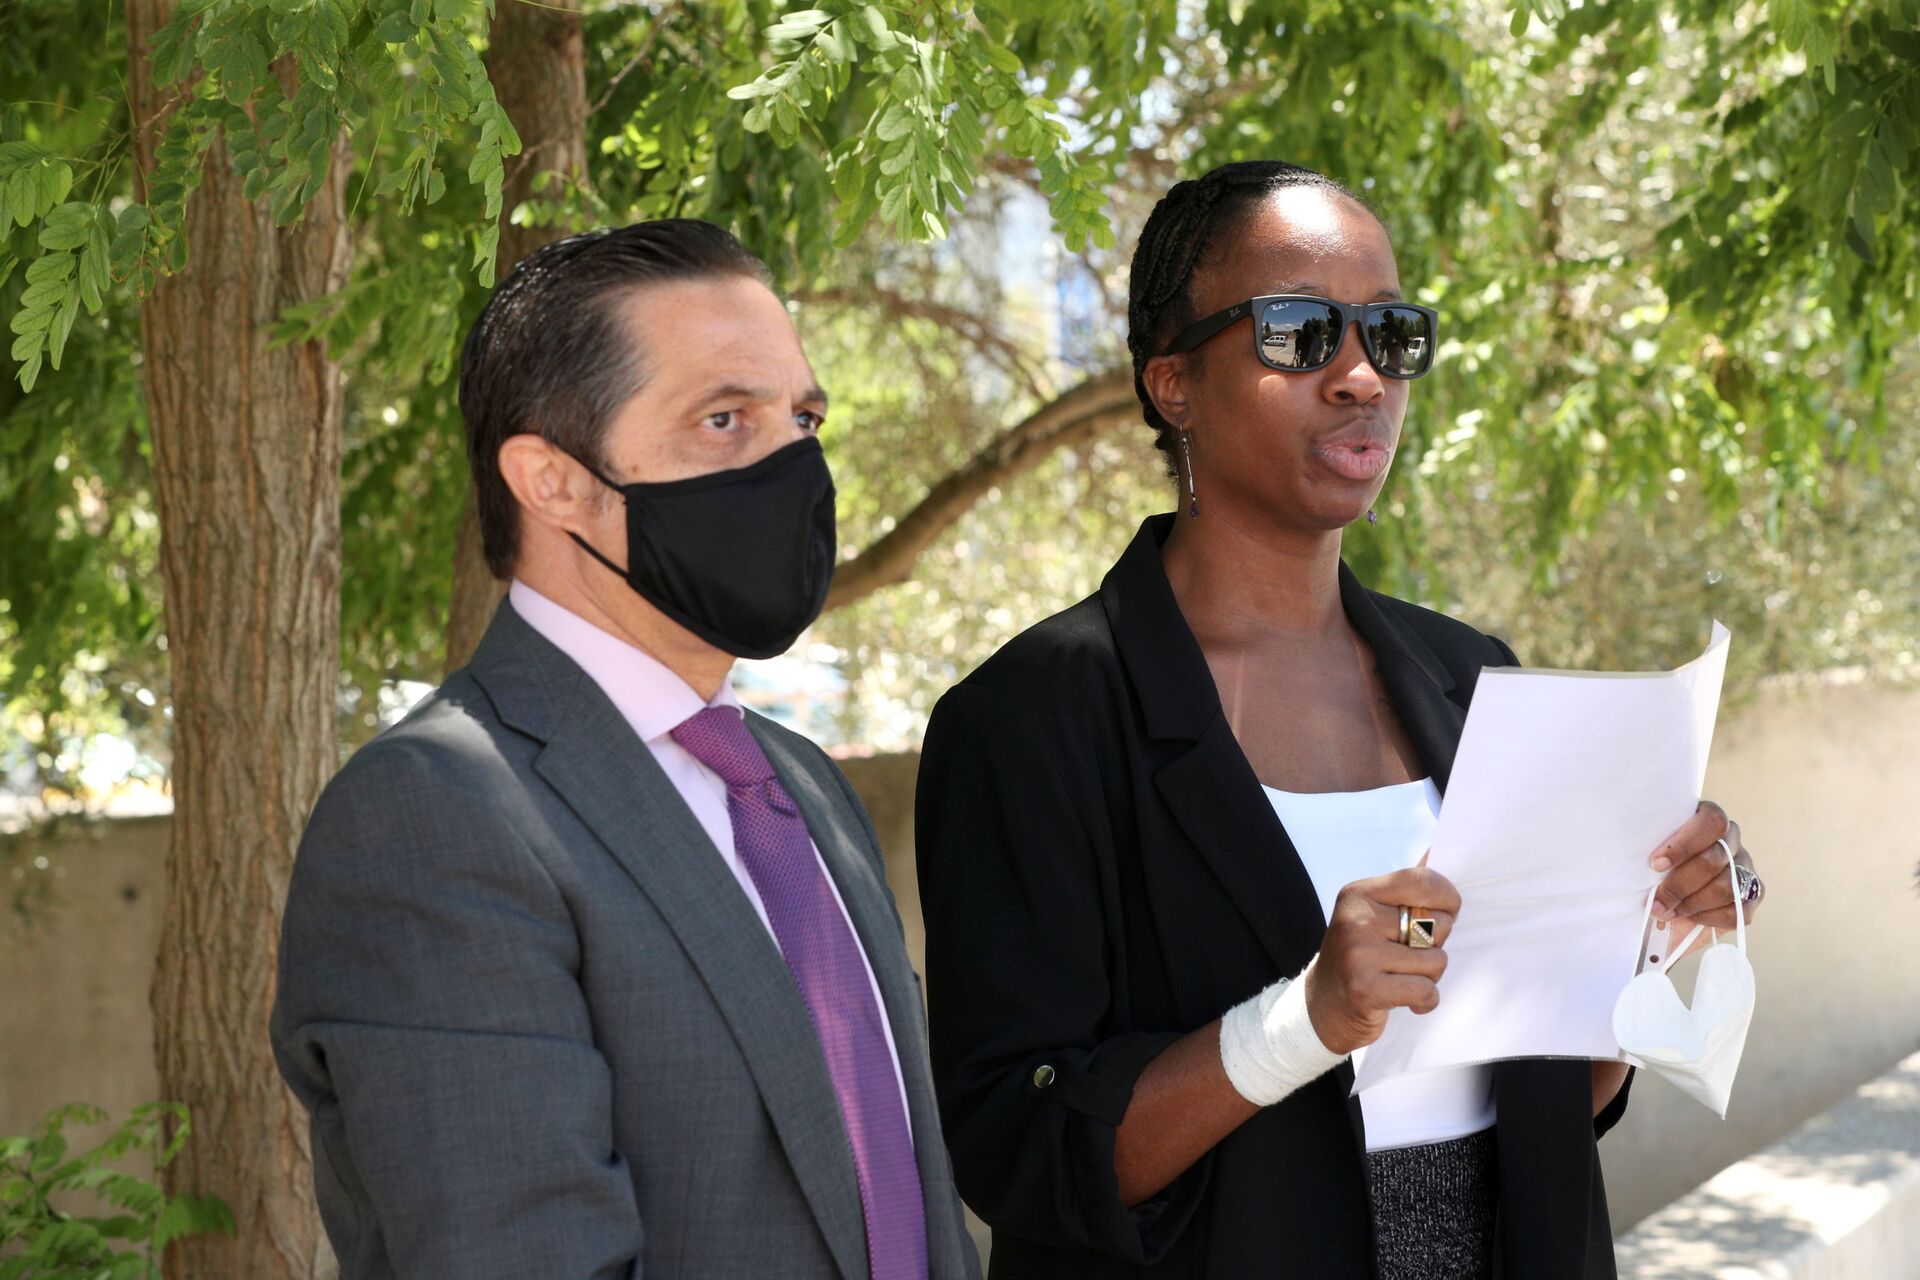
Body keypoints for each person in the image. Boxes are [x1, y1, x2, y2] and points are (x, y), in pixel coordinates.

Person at [913, 161, 1766, 1280]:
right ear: (1172, 381)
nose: (1362, 375)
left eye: (1391, 334)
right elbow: (1017, 1147)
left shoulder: (1472, 679)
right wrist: (1303, 1019)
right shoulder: (1033, 718)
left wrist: (1651, 936)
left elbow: (1555, 1092)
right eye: (1300, 333)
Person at [271, 220, 979, 1280]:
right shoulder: (437, 814)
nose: (795, 466)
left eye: (804, 417)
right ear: (552, 481)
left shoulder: (799, 787)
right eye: (725, 418)